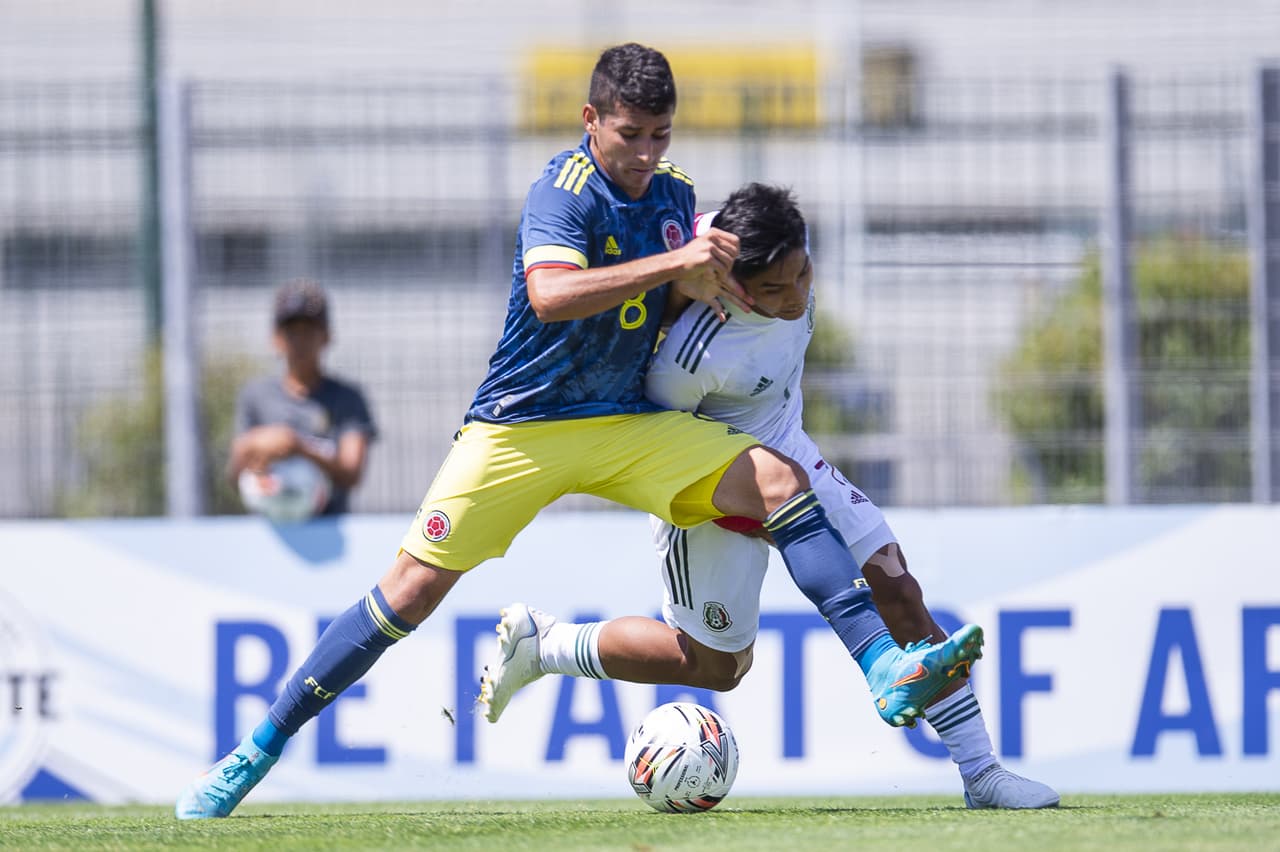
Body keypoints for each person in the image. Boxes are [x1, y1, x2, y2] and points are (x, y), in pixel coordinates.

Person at [175, 43, 982, 820]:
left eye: (660, 135)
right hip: (521, 427)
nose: (644, 153)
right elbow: (554, 296)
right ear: (591, 119)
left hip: (629, 425)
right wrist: (676, 268)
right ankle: (253, 752)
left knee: (779, 480)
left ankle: (882, 667)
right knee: (408, 593)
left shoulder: (674, 196)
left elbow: (711, 279)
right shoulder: (559, 193)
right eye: (630, 135)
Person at [482, 184, 1058, 809]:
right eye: (775, 291)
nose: (797, 296)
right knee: (718, 667)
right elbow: (662, 449)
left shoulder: (763, 245)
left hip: (790, 445)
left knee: (899, 587)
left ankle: (983, 775)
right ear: (731, 281)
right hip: (706, 476)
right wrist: (763, 509)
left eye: (803, 275)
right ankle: (548, 646)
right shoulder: (686, 355)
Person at [228, 278, 377, 517]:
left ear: (326, 336)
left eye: (308, 331)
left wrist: (299, 448)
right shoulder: (256, 395)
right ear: (276, 338)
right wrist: (256, 445)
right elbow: (235, 475)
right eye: (291, 332)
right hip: (270, 530)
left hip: (329, 527)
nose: (299, 341)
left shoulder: (348, 399)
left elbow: (352, 473)